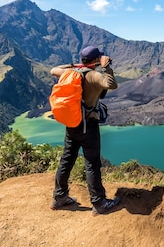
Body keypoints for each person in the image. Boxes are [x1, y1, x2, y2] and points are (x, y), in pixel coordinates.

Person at [50, 45, 120, 215]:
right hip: (88, 126)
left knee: (67, 159)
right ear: (96, 60)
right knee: (92, 163)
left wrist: (74, 66)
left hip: (72, 123)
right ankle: (99, 203)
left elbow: (53, 70)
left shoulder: (70, 73)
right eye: (99, 58)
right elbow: (111, 84)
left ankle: (60, 197)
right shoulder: (94, 76)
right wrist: (106, 67)